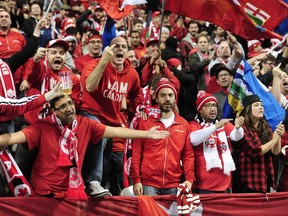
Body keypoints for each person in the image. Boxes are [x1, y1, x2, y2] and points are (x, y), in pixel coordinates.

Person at [0, 94, 169, 199]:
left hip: (72, 192)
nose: (69, 109)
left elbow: (116, 132)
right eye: (63, 106)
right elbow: (12, 138)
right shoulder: (42, 126)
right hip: (44, 193)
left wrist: (146, 134)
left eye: (70, 103)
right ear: (53, 111)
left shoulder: (85, 124)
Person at [80, 36, 143, 197]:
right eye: (116, 46)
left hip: (112, 122)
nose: (120, 49)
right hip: (90, 114)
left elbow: (137, 95)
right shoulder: (94, 65)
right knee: (99, 133)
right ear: (108, 50)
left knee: (107, 163)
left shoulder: (132, 74)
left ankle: (97, 187)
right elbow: (89, 86)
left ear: (128, 52)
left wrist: (137, 108)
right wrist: (103, 61)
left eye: (123, 46)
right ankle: (92, 182)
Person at [130, 79, 195, 196]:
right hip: (148, 183)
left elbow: (188, 155)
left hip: (174, 184)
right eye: (163, 95)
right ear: (156, 98)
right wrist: (136, 180)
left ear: (175, 99)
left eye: (170, 95)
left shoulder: (184, 124)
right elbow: (136, 153)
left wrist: (189, 179)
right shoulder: (145, 123)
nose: (167, 99)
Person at [189, 91, 244, 193]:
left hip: (225, 185)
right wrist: (215, 127)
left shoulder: (223, 124)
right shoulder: (194, 125)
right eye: (208, 106)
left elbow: (236, 137)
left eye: (214, 105)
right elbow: (193, 139)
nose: (213, 109)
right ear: (200, 110)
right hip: (204, 186)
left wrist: (238, 128)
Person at [233, 95, 284, 193]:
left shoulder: (266, 128)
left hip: (265, 180)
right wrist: (274, 139)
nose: (261, 107)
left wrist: (278, 136)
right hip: (248, 182)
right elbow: (255, 151)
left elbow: (275, 152)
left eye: (261, 105)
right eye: (256, 105)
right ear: (248, 109)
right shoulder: (242, 129)